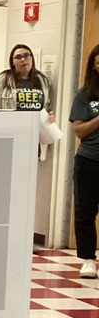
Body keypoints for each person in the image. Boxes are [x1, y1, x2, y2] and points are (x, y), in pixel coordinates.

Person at [70, 43, 99, 280]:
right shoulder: (84, 95)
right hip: (89, 159)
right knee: (85, 211)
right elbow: (79, 131)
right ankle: (88, 259)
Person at [0, 43, 53, 119]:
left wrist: (49, 116)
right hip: (11, 127)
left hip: (35, 128)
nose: (23, 60)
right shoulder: (4, 79)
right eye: (18, 57)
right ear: (12, 62)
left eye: (26, 55)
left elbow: (47, 109)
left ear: (32, 58)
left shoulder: (42, 80)